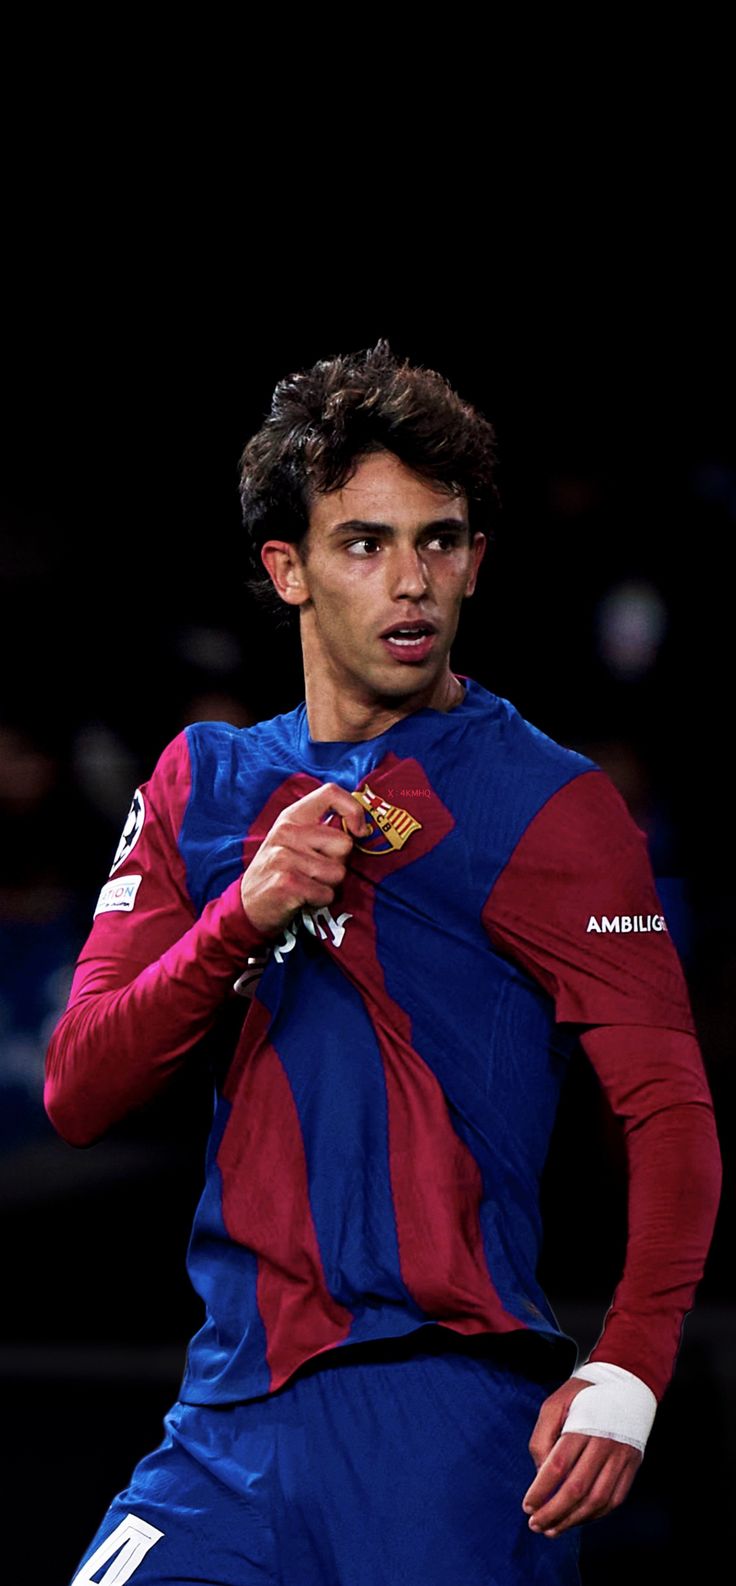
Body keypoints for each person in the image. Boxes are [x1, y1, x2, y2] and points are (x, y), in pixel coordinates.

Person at [46, 340, 722, 1586]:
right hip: (222, 1423)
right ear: (287, 569)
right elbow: (79, 1088)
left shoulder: (551, 806)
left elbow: (669, 1107)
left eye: (442, 539)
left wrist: (630, 1362)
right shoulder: (205, 781)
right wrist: (237, 918)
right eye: (366, 543)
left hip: (451, 1418)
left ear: (475, 560)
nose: (412, 580)